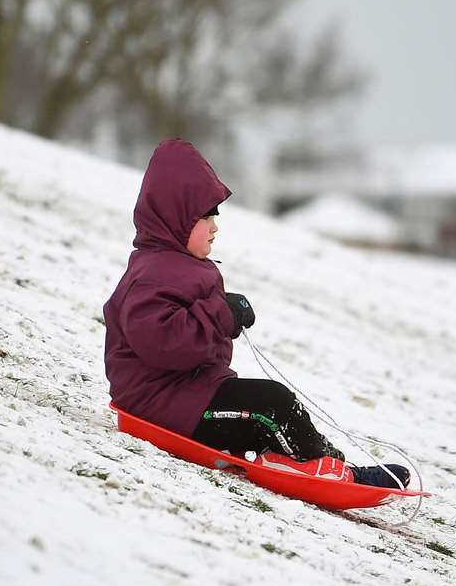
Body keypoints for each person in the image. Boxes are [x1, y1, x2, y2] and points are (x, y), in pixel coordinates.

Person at [102, 139, 408, 489]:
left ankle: (326, 464)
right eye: (205, 215)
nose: (215, 225)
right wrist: (222, 313)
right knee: (269, 405)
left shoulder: (179, 266)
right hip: (157, 402)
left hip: (189, 394)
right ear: (176, 217)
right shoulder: (152, 272)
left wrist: (224, 308)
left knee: (267, 403)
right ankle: (325, 470)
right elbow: (163, 342)